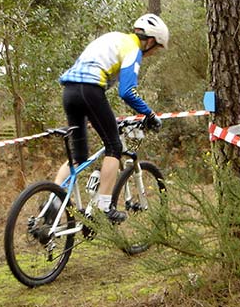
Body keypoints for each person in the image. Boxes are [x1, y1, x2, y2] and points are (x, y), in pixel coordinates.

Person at [53, 14, 167, 223]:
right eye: (157, 48)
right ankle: (105, 206)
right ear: (150, 41)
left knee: (78, 157)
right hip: (90, 90)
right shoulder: (133, 49)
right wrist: (149, 114)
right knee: (114, 147)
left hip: (69, 92)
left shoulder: (113, 38)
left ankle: (53, 201)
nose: (153, 54)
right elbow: (127, 92)